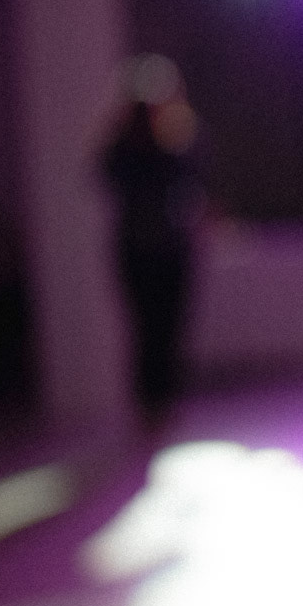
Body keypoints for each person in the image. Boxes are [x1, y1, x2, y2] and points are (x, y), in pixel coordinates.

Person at [100, 79, 204, 423]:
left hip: (158, 249)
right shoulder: (132, 156)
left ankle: (158, 401)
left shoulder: (161, 151)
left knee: (159, 329)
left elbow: (193, 174)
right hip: (148, 249)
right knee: (154, 329)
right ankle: (153, 401)